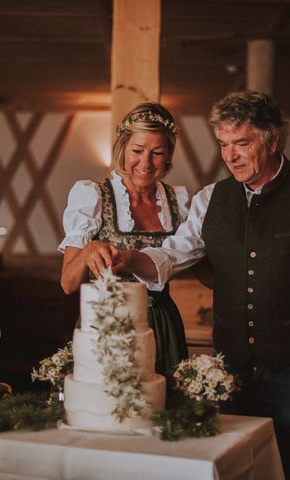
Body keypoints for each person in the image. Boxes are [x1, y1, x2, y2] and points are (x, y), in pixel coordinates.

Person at [112, 91, 290, 480]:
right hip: (230, 367)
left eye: (242, 143)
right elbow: (172, 255)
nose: (230, 156)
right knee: (235, 468)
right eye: (223, 145)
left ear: (272, 141)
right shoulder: (209, 200)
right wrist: (128, 258)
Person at [58, 102, 189, 377]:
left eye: (157, 153)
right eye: (137, 151)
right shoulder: (93, 195)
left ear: (168, 157)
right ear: (123, 149)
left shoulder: (178, 201)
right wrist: (89, 250)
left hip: (162, 324)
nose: (145, 162)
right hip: (108, 322)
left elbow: (199, 265)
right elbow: (68, 283)